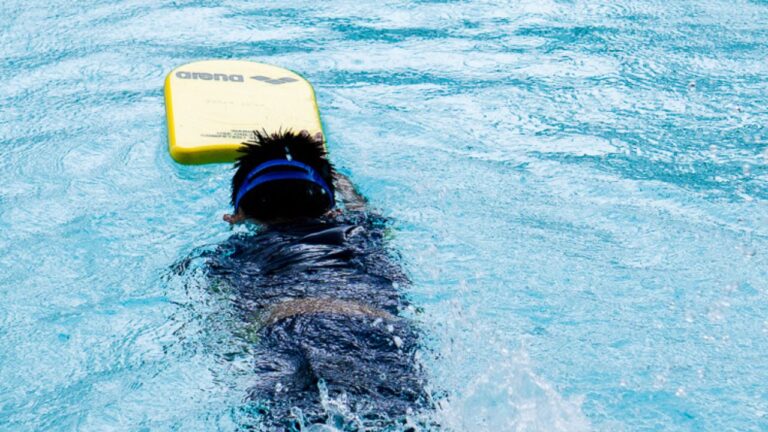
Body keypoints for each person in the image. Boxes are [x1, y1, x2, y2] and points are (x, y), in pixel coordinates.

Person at [205, 130, 427, 430]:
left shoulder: (230, 254)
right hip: (379, 332)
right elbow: (365, 209)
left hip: (290, 331)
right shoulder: (357, 233)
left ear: (237, 215)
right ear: (330, 206)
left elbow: (228, 330)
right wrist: (332, 171)